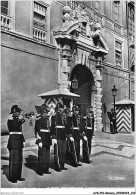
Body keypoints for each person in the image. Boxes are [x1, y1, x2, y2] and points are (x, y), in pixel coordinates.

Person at [7, 105, 25, 183]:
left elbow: (20, 125)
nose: (19, 113)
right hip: (14, 141)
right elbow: (16, 125)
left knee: (18, 160)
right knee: (14, 160)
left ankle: (18, 176)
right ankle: (12, 177)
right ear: (14, 112)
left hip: (18, 141)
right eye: (18, 112)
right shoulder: (11, 120)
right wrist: (21, 119)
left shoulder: (17, 119)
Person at [35, 104, 52, 175]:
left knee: (47, 155)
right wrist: (39, 141)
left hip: (47, 138)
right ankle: (40, 170)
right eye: (46, 112)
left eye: (47, 112)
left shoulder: (47, 119)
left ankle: (46, 169)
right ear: (42, 112)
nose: (47, 113)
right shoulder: (39, 120)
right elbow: (36, 131)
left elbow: (49, 129)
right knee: (42, 155)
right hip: (42, 138)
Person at [50, 102, 67, 171]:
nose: (62, 109)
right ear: (58, 108)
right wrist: (53, 137)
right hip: (57, 135)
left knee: (63, 151)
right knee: (58, 151)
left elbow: (66, 125)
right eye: (61, 108)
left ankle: (62, 165)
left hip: (63, 135)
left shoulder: (64, 116)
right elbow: (52, 127)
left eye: (62, 108)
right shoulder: (54, 116)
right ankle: (57, 166)